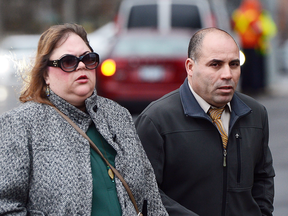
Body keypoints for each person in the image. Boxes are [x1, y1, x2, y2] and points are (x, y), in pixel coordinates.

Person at [0, 23, 168, 216]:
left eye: (88, 59)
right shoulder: (20, 125)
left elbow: (151, 196)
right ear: (45, 73)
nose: (81, 66)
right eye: (68, 61)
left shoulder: (118, 115)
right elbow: (5, 207)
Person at [135, 27, 275, 216]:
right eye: (215, 65)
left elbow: (263, 178)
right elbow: (143, 192)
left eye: (234, 64)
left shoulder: (255, 113)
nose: (227, 74)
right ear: (190, 67)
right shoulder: (156, 120)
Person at [232, 0, 277, 95]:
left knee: (251, 67)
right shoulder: (256, 14)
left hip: (253, 45)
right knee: (254, 68)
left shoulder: (241, 13)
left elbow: (235, 25)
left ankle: (252, 87)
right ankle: (256, 87)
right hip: (253, 45)